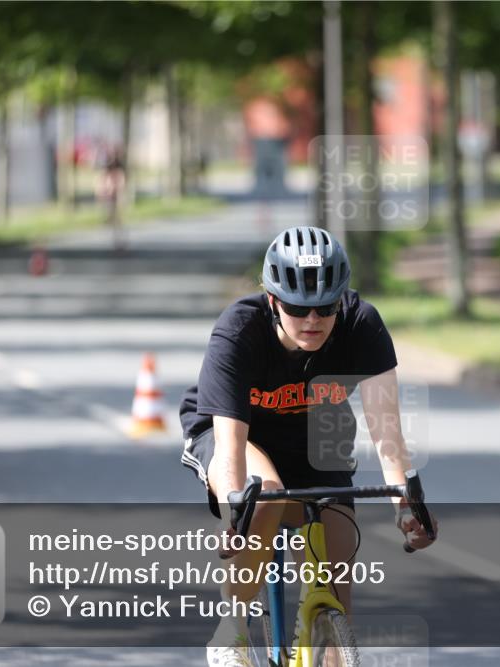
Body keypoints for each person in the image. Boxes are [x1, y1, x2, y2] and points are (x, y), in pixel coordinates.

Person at [179, 225, 437, 667]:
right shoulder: (239, 330)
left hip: (315, 437)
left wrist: (405, 504)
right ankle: (233, 627)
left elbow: (386, 431)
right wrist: (235, 511)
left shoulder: (362, 324)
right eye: (299, 308)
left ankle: (318, 632)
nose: (313, 320)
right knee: (267, 497)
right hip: (238, 435)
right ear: (274, 301)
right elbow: (229, 447)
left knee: (336, 582)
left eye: (325, 307)